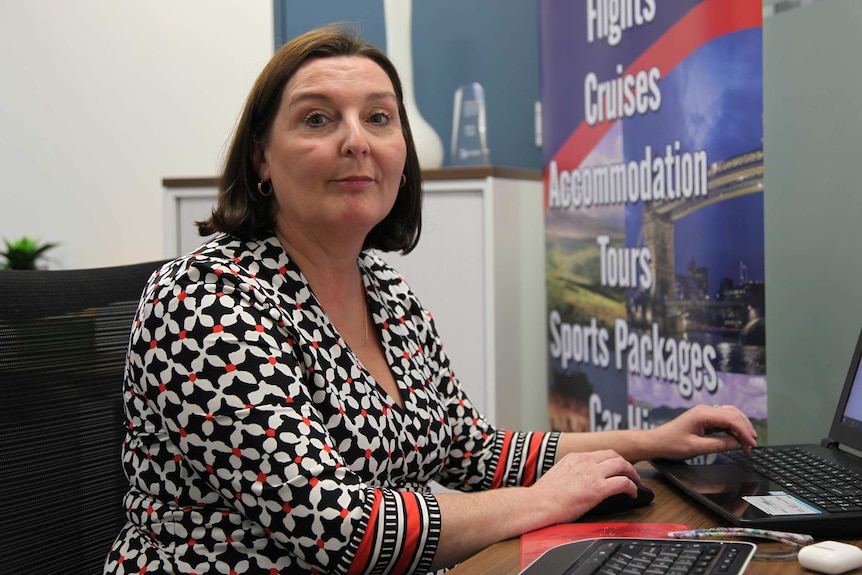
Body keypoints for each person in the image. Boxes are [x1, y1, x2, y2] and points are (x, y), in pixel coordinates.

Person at [104, 24, 757, 575]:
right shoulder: (203, 299)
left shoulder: (386, 291)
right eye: (317, 117)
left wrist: (653, 441)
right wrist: (544, 501)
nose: (356, 139)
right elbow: (336, 526)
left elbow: (468, 450)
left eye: (379, 117)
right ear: (261, 159)